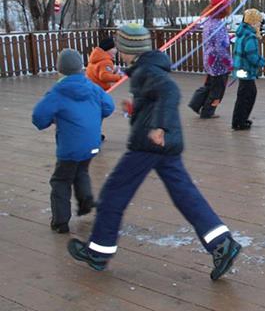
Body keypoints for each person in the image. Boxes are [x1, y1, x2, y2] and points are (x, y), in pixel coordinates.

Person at [66, 24, 242, 280]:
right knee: (185, 196)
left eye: (121, 47)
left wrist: (158, 126)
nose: (119, 52)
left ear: (129, 49)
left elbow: (169, 93)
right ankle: (222, 244)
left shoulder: (147, 69)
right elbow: (156, 98)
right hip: (163, 144)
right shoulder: (147, 67)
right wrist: (137, 110)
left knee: (114, 193)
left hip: (148, 145)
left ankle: (99, 251)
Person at [32, 49, 115, 234]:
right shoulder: (92, 87)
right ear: (81, 68)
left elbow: (38, 118)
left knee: (60, 181)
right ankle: (86, 202)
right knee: (81, 170)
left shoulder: (57, 92)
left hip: (70, 148)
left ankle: (60, 222)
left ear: (60, 70)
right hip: (92, 144)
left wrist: (51, 120)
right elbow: (109, 107)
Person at [189, 0, 233, 119]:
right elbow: (220, 47)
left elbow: (214, 41)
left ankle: (196, 104)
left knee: (210, 85)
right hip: (218, 62)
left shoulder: (209, 22)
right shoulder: (218, 25)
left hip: (209, 59)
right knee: (218, 89)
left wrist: (227, 38)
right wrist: (229, 63)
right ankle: (208, 111)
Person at [231, 8, 265, 130]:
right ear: (253, 22)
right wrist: (262, 62)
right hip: (246, 70)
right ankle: (239, 122)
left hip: (240, 69)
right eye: (258, 22)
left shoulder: (242, 33)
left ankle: (239, 120)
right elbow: (251, 56)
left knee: (244, 95)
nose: (259, 25)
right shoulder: (250, 37)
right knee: (247, 95)